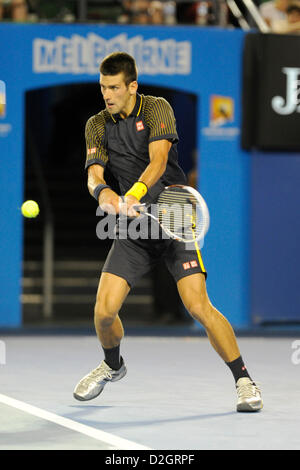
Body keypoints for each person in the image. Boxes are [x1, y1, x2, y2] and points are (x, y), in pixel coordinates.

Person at [73, 52, 263, 412]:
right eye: (102, 87)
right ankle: (112, 366)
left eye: (114, 87)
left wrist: (133, 194)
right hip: (134, 226)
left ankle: (244, 380)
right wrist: (104, 193)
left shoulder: (157, 108)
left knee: (198, 306)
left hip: (174, 213)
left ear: (132, 86)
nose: (107, 94)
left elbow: (159, 161)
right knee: (103, 312)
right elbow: (93, 173)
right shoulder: (96, 123)